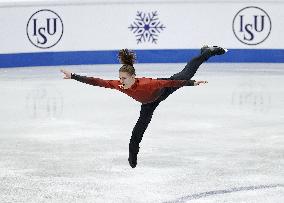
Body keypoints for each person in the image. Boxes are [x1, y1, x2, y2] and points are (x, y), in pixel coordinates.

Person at [60, 45, 227, 168]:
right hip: (147, 105)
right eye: (120, 78)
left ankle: (207, 52)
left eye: (124, 78)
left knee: (188, 71)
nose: (121, 81)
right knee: (137, 132)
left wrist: (190, 83)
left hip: (164, 89)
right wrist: (74, 76)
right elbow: (97, 81)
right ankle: (132, 160)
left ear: (133, 77)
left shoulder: (147, 83)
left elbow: (169, 82)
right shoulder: (119, 85)